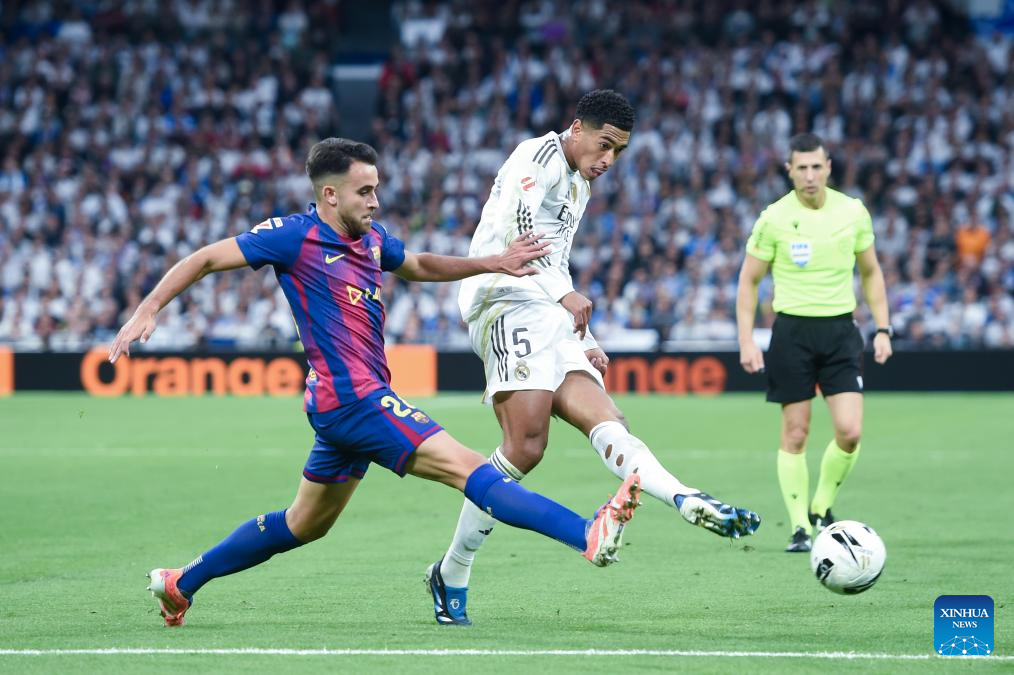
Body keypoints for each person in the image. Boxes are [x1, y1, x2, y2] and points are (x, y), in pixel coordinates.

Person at [108, 137, 644, 627]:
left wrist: (494, 262)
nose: (375, 201)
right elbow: (206, 258)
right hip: (356, 399)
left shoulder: (371, 239)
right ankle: (585, 533)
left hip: (341, 405)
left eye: (376, 189)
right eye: (364, 192)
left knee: (303, 524)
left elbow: (419, 264)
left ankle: (181, 583)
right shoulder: (294, 236)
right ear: (329, 194)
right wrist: (148, 309)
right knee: (472, 470)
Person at [426, 90, 760, 626]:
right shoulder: (536, 157)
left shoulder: (580, 182)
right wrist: (564, 297)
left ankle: (683, 497)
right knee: (526, 445)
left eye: (619, 151)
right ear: (577, 128)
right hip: (503, 298)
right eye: (604, 145)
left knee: (608, 419)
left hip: (547, 308)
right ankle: (454, 568)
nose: (609, 159)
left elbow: (556, 257)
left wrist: (584, 338)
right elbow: (517, 236)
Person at [735, 132, 893, 554]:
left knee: (850, 432)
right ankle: (800, 527)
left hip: (840, 332)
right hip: (792, 334)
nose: (809, 175)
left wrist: (883, 328)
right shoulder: (773, 218)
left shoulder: (852, 212)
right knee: (796, 432)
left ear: (828, 168)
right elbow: (748, 282)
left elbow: (871, 272)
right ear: (789, 171)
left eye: (816, 167)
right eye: (801, 168)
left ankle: (821, 506)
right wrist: (747, 340)